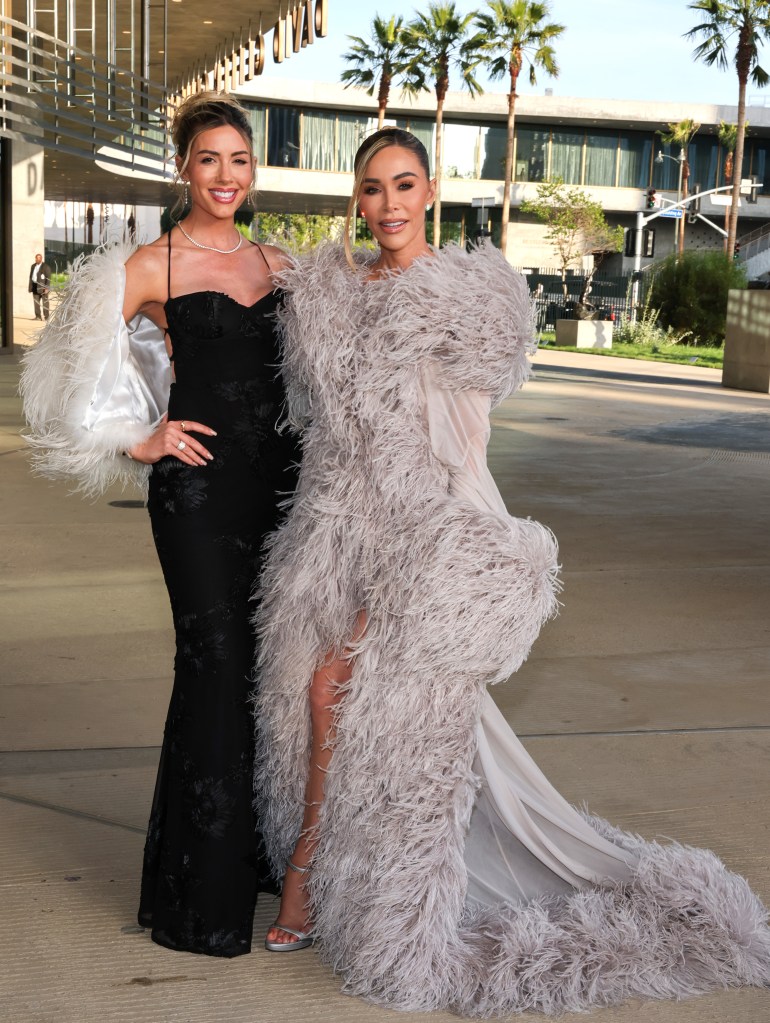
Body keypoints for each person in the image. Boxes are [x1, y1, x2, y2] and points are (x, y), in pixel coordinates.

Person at [253, 128, 770, 1013]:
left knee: (348, 693)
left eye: (404, 184)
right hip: (328, 536)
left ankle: (313, 881)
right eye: (372, 188)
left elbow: (464, 452)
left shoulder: (459, 305)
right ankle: (338, 876)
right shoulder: (330, 295)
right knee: (315, 704)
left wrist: (456, 558)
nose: (388, 205)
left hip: (420, 539)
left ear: (432, 188)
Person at [21, 91, 300, 958]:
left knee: (258, 672)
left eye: (240, 160)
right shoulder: (150, 266)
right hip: (198, 495)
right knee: (214, 664)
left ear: (254, 170)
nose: (226, 175)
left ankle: (243, 863)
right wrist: (138, 437)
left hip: (281, 491)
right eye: (209, 158)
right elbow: (64, 367)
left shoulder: (280, 258)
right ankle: (196, 904)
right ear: (184, 166)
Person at [28, 253, 51, 320]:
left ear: (41, 259)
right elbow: (31, 276)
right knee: (36, 302)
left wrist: (47, 288)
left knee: (45, 303)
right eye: (36, 258)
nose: (36, 259)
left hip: (43, 287)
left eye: (38, 258)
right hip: (35, 286)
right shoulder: (33, 266)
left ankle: (47, 317)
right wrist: (30, 286)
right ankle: (38, 316)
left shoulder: (46, 267)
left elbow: (48, 278)